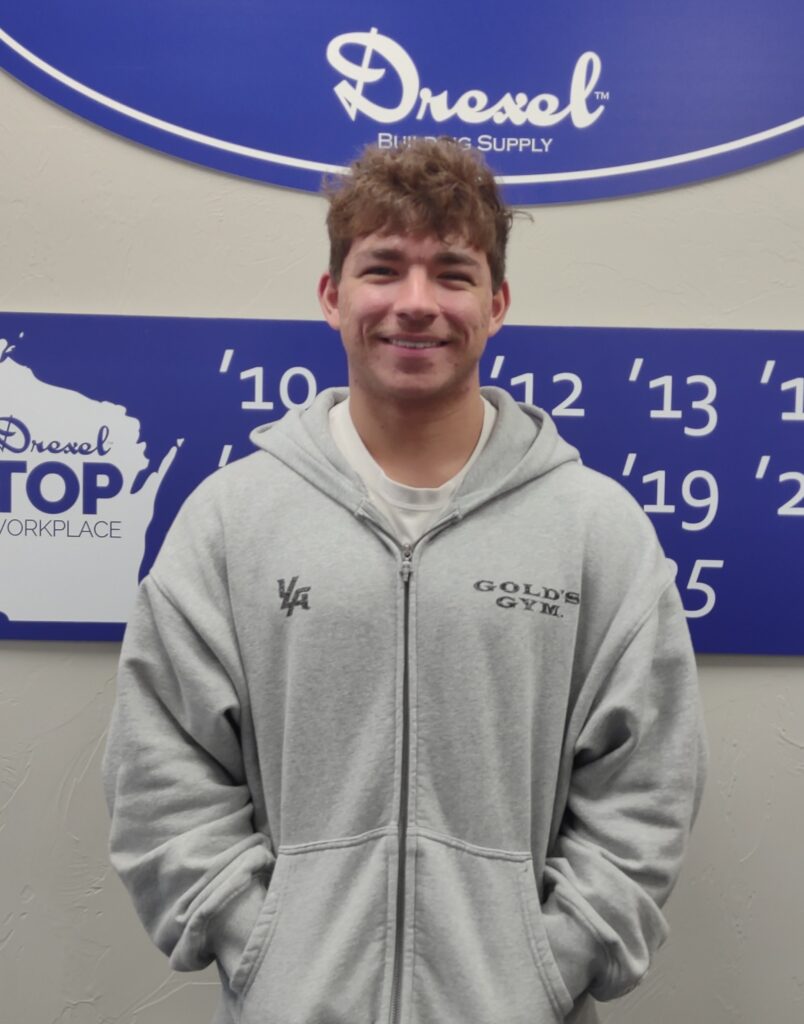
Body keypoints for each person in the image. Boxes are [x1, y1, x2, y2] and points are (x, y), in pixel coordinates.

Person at [103, 138, 707, 1024]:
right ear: (332, 295)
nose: (416, 303)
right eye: (383, 268)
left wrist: (553, 961)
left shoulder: (595, 529)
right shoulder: (232, 520)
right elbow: (160, 767)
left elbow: (647, 782)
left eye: (452, 274)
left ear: (496, 305)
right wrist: (261, 944)